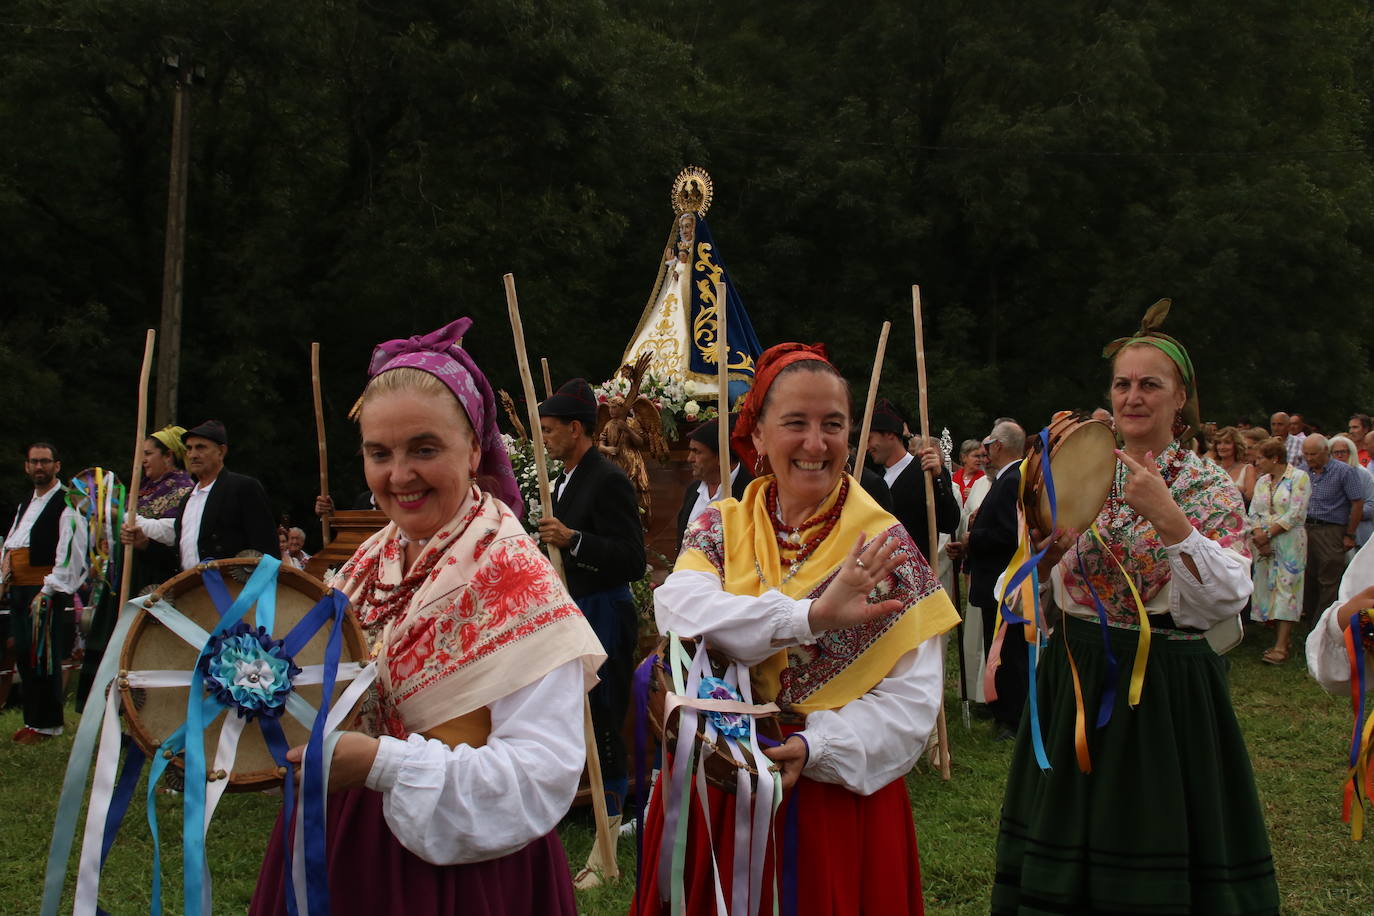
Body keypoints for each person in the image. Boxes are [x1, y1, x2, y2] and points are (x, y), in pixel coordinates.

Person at [250, 318, 605, 914]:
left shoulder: (516, 578)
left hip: (464, 869)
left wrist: (384, 763)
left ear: (474, 449)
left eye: (425, 448)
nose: (399, 475)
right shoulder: (368, 561)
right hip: (338, 841)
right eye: (378, 453)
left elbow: (541, 775)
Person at [632, 342, 958, 915]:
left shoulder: (885, 546)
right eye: (795, 423)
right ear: (756, 435)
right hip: (720, 782)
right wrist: (810, 617)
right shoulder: (722, 524)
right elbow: (681, 609)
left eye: (833, 424)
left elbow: (910, 705)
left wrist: (816, 747)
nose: (816, 443)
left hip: (830, 802)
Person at [993, 303, 1278, 914]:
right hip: (1078, 672)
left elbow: (1230, 597)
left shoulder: (1208, 486)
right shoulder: (1078, 471)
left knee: (1156, 831)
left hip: (1165, 689)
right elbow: (1022, 588)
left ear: (1181, 400)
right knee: (1072, 830)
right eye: (1123, 384)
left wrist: (1171, 520)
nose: (1133, 397)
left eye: (1151, 385)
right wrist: (1043, 556)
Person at [536, 377, 647, 870]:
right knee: (569, 708)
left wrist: (575, 539)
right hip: (572, 610)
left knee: (605, 707)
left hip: (605, 607)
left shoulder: (607, 479)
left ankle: (616, 808)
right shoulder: (559, 481)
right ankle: (575, 796)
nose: (544, 439)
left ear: (576, 428)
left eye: (550, 429)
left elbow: (633, 559)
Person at [1, 443, 88, 744]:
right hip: (19, 588)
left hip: (45, 589)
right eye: (34, 462)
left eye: (45, 462)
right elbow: (14, 542)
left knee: (44, 656)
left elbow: (71, 552)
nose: (39, 467)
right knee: (24, 652)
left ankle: (50, 724)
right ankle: (33, 720)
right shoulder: (26, 502)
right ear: (26, 466)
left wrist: (50, 588)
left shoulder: (67, 502)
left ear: (57, 465)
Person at [121, 420, 279, 572]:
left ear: (221, 451)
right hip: (194, 594)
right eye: (189, 449)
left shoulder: (243, 488)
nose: (193, 454)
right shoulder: (187, 500)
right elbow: (178, 561)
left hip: (236, 592)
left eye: (201, 447)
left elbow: (267, 550)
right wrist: (145, 544)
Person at [957, 419, 1027, 737]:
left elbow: (1009, 534)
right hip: (998, 578)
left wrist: (974, 538)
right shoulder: (1010, 477)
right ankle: (1002, 707)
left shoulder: (1012, 479)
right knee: (998, 647)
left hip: (1003, 580)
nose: (984, 454)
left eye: (987, 448)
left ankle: (1010, 717)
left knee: (1006, 651)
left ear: (997, 446)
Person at [865, 398, 959, 564]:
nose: (867, 447)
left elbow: (949, 521)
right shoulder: (874, 478)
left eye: (870, 438)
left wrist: (938, 477)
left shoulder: (925, 470)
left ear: (889, 435)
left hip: (916, 576)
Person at [1248, 437, 1311, 664]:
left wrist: (1269, 534)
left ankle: (1281, 646)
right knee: (1267, 588)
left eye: (1260, 459)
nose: (1256, 464)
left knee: (1287, 589)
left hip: (1289, 542)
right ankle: (1279, 638)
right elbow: (1254, 510)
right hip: (1263, 543)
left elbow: (1295, 513)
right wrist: (1258, 536)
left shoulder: (1299, 478)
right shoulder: (1262, 481)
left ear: (1275, 458)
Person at [1300, 434, 1365, 618]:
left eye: (1313, 454)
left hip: (1331, 530)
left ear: (1325, 452)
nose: (1310, 458)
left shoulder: (1344, 471)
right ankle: (1308, 618)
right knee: (1307, 576)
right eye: (1306, 454)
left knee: (1329, 577)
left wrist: (1350, 534)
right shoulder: (1302, 471)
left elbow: (1357, 503)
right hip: (1305, 528)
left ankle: (1324, 621)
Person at [675, 416, 753, 554]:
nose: (689, 459)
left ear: (721, 456)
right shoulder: (694, 490)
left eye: (696, 452)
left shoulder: (751, 493)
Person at [129, 425, 194, 588]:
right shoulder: (143, 489)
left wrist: (123, 517)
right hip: (132, 572)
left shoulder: (183, 489)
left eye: (148, 454)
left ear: (168, 456)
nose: (142, 460)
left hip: (158, 575)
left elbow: (170, 532)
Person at [1327, 435, 1374, 553]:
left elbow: (1371, 505)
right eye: (1335, 452)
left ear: (1351, 452)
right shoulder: (1324, 474)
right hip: (1331, 534)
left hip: (1359, 533)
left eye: (1343, 452)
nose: (1339, 455)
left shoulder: (1364, 474)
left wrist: (1349, 515)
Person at [1211, 425, 1256, 506]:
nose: (1222, 447)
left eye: (1227, 442)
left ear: (1236, 445)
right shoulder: (1212, 468)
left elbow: (1250, 496)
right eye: (1219, 443)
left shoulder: (1247, 468)